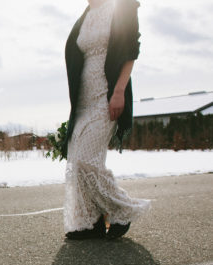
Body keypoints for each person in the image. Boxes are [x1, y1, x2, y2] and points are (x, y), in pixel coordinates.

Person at [63, 0, 149, 240]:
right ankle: (91, 222)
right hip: (82, 101)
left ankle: (123, 210)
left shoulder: (122, 7)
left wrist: (119, 91)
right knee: (76, 160)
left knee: (87, 159)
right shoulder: (86, 16)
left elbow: (131, 50)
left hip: (107, 95)